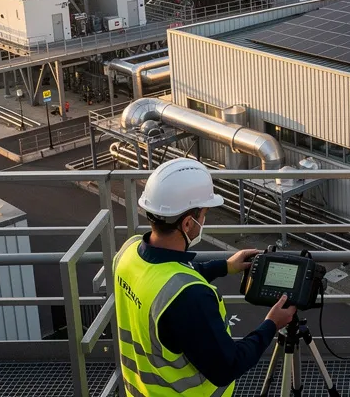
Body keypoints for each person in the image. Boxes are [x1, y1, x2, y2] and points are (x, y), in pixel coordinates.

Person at [114, 157, 295, 395]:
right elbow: (227, 366)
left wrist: (225, 267)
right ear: (188, 223)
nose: (203, 221)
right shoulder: (189, 297)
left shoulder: (128, 252)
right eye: (204, 215)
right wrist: (272, 324)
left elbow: (165, 280)